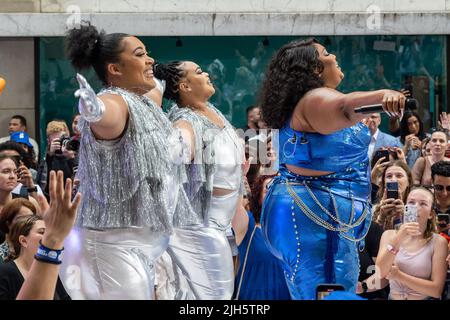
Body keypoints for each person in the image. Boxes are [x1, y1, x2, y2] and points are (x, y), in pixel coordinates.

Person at [259, 38, 406, 300]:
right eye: (326, 53)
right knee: (330, 292)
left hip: (309, 212)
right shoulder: (314, 99)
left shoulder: (304, 103)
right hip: (317, 218)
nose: (334, 56)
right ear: (314, 69)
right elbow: (346, 108)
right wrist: (384, 95)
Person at [61, 22, 197, 300]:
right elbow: (107, 115)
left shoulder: (145, 102)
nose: (149, 60)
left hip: (144, 243)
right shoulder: (114, 99)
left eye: (147, 53)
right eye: (139, 54)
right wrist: (93, 109)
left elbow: (157, 89)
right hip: (112, 244)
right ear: (115, 69)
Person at [155, 60, 244, 299]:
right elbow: (178, 147)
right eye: (198, 71)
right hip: (199, 226)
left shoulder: (212, 111)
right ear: (184, 86)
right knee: (216, 296)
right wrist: (178, 147)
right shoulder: (185, 119)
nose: (206, 73)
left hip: (223, 225)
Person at [16, 171, 80, 300]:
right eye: (41, 232)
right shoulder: (6, 271)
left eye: (46, 231)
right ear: (23, 240)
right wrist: (52, 238)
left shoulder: (60, 269)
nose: (45, 235)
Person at [376, 187, 448, 300]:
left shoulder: (439, 242)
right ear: (405, 208)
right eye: (411, 202)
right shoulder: (389, 235)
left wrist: (399, 276)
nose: (415, 207)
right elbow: (380, 273)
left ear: (431, 214)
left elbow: (436, 290)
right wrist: (399, 237)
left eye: (423, 204)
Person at [357, 160, 413, 299]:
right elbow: (370, 240)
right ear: (382, 182)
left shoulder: (414, 209)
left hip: (406, 271)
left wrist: (402, 215)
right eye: (389, 176)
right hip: (378, 272)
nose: (393, 179)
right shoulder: (373, 209)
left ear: (408, 180)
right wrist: (381, 217)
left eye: (399, 175)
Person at [232, 174, 291, 300]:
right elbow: (235, 208)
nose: (273, 193)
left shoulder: (292, 233)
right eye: (268, 189)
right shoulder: (249, 225)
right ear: (258, 197)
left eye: (278, 189)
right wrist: (238, 173)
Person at [0, 214, 70, 300]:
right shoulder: (4, 272)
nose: (49, 237)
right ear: (24, 241)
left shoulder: (49, 270)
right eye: (42, 232)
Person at [0, 198, 37, 263]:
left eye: (31, 218)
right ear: (8, 223)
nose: (27, 222)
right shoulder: (1, 255)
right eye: (21, 218)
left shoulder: (38, 251)